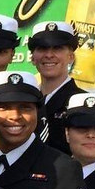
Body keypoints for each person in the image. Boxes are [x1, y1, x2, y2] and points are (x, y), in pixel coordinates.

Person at [28, 21, 83, 154]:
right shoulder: (26, 101)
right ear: (33, 58)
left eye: (57, 48)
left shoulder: (80, 101)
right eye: (42, 48)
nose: (49, 55)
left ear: (71, 57)